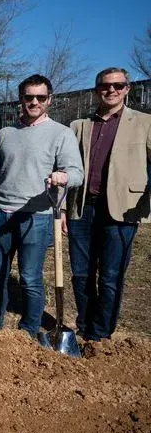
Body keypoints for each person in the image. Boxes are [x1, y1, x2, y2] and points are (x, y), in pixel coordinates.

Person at [0, 74, 84, 337]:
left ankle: (28, 330)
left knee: (30, 278)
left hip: (36, 217)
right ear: (20, 99)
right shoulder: (6, 133)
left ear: (49, 99)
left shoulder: (61, 134)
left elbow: (77, 172)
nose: (34, 102)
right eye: (29, 97)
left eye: (40, 97)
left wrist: (65, 176)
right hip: (1, 215)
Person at [64, 67, 151, 341]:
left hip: (122, 210)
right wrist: (65, 208)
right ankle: (84, 327)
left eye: (117, 85)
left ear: (127, 88)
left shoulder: (145, 123)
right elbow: (69, 168)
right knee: (80, 274)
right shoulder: (79, 126)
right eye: (104, 85)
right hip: (82, 208)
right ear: (96, 90)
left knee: (110, 276)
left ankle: (101, 334)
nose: (110, 90)